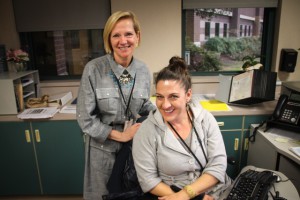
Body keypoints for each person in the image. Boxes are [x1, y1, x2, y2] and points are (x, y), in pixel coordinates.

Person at [76, 11, 156, 200]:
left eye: (128, 34)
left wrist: (163, 114)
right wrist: (120, 135)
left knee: (130, 194)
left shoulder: (144, 70)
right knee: (102, 196)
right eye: (116, 35)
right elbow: (85, 119)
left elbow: (144, 105)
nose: (123, 41)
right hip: (102, 149)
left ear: (137, 36)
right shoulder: (94, 69)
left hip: (134, 146)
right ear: (108, 40)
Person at [132, 56, 232, 200]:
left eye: (173, 97)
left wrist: (187, 194)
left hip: (219, 191)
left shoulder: (206, 119)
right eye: (160, 97)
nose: (165, 105)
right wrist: (191, 198)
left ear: (188, 95)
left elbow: (218, 165)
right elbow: (148, 181)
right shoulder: (146, 131)